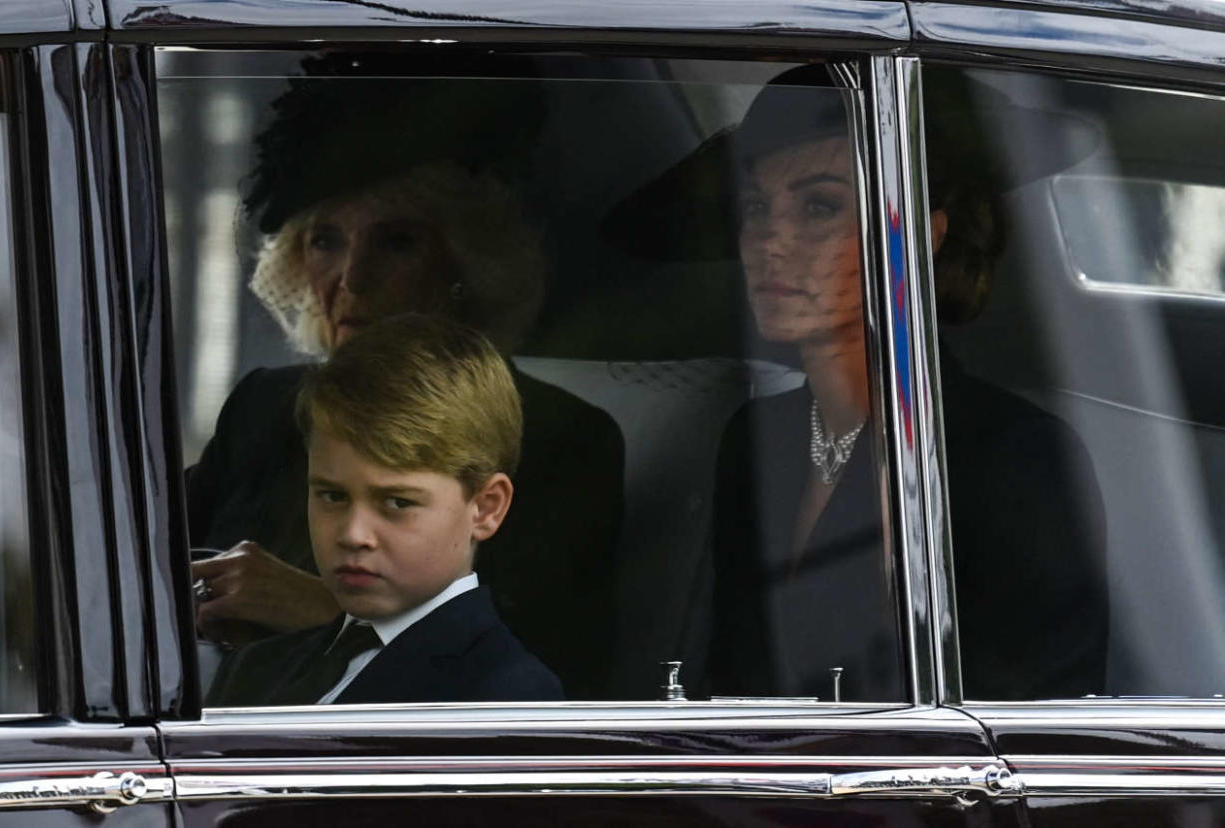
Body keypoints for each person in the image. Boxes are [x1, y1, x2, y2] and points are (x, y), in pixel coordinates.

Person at [608, 65, 1107, 701]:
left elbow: (1031, 733)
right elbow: (730, 686)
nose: (770, 242)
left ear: (922, 238)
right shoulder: (758, 439)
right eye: (756, 208)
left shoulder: (1017, 460)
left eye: (819, 206)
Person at [186, 55, 624, 699]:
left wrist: (328, 612)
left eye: (396, 242)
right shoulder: (262, 406)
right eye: (325, 240)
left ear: (467, 263)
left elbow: (540, 679)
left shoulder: (558, 439)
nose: (352, 280)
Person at [207, 314, 564, 706]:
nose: (353, 534)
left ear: (485, 508)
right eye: (332, 496)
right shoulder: (255, 667)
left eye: (398, 503)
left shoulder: (505, 695)